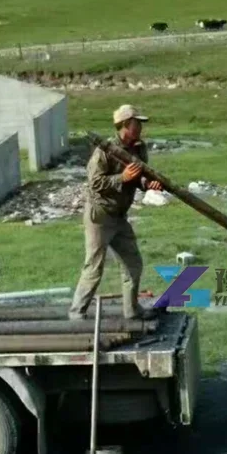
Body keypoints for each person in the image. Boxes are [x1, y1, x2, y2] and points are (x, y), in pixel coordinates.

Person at [69, 104, 163, 321]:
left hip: (120, 216)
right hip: (100, 216)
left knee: (133, 263)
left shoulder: (139, 148)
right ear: (124, 125)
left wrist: (147, 183)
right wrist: (123, 178)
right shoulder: (105, 151)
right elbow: (95, 183)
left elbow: (139, 178)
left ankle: (132, 310)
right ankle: (77, 313)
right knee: (94, 267)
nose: (140, 127)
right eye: (136, 123)